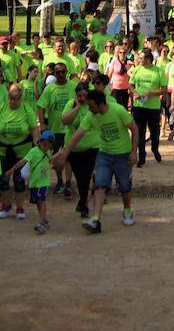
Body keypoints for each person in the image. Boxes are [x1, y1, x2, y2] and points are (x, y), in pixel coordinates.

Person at [52, 89, 139, 234]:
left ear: (101, 104)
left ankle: (127, 210)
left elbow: (134, 129)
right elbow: (77, 135)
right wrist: (64, 155)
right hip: (104, 154)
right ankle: (95, 219)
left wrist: (133, 152)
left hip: (122, 154)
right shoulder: (91, 116)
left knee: (124, 186)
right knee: (99, 184)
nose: (90, 109)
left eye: (92, 106)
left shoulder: (118, 111)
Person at [0, 84, 38, 221]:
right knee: (1, 179)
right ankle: (6, 205)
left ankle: (19, 207)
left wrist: (36, 144)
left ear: (21, 98)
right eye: (11, 98)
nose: (13, 101)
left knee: (19, 180)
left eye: (16, 98)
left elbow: (34, 129)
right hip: (2, 150)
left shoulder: (26, 110)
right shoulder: (0, 109)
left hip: (21, 151)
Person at [59, 82, 99, 218]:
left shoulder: (92, 106)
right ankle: (83, 202)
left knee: (86, 176)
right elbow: (64, 121)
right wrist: (76, 108)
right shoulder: (71, 104)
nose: (82, 98)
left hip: (91, 147)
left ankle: (84, 204)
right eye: (79, 95)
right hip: (73, 149)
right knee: (80, 178)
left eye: (84, 95)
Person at [35, 62, 76, 196]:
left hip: (70, 129)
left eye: (62, 72)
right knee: (57, 160)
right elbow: (41, 107)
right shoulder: (49, 89)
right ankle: (59, 181)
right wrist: (42, 126)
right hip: (54, 129)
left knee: (69, 157)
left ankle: (68, 183)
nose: (60, 75)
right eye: (57, 72)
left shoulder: (73, 87)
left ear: (67, 72)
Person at [4, 130, 56, 233]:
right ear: (40, 142)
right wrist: (12, 170)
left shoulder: (48, 152)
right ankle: (44, 220)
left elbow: (50, 160)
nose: (46, 147)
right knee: (38, 202)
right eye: (44, 144)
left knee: (41, 200)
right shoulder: (34, 151)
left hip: (43, 182)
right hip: (34, 183)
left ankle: (41, 222)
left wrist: (58, 154)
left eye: (48, 145)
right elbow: (22, 161)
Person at [129, 49, 167, 166]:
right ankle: (142, 156)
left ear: (149, 59)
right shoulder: (137, 69)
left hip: (153, 107)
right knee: (139, 132)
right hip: (139, 106)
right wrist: (134, 93)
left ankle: (155, 149)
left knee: (154, 132)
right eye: (139, 58)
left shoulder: (158, 71)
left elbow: (164, 89)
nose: (139, 60)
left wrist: (151, 93)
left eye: (141, 58)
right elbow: (130, 84)